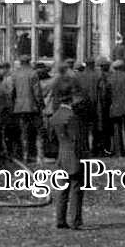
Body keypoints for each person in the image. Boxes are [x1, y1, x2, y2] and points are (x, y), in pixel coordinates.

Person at [51, 91, 86, 230]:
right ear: (71, 101)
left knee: (62, 189)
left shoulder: (54, 117)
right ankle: (75, 221)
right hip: (74, 156)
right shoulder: (72, 117)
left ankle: (60, 220)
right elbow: (76, 140)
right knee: (77, 189)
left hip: (61, 156)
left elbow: (52, 139)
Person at [107, 59, 125, 156]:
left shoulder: (110, 78)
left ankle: (119, 151)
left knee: (116, 129)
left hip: (114, 106)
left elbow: (107, 94)